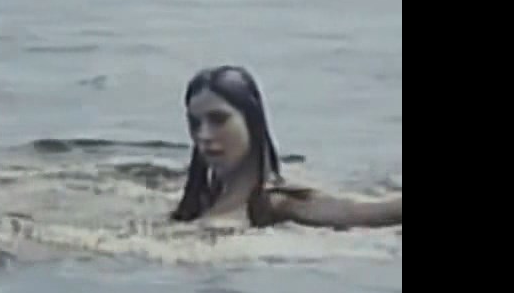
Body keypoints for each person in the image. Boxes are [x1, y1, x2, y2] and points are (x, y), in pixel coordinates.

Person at [170, 65, 401, 230]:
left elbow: (364, 213)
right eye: (195, 123)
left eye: (219, 120)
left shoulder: (277, 204)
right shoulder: (196, 200)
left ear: (251, 122)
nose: (204, 135)